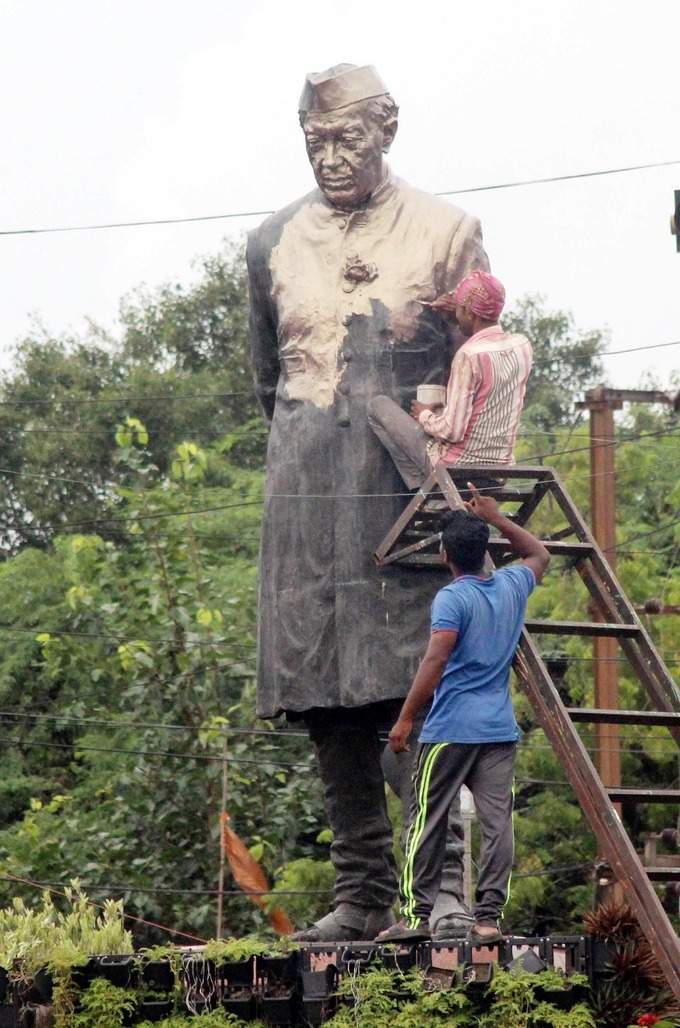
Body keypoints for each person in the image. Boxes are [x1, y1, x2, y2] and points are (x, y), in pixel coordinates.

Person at [247, 63, 490, 942]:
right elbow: (267, 381)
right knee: (327, 702)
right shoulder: (271, 242)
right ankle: (362, 896)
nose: (331, 155)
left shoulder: (448, 232)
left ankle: (445, 892)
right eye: (315, 141)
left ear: (387, 129)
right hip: (307, 498)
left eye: (347, 138)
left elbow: (482, 375)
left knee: (413, 693)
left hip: (404, 501)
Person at [375, 485, 550, 944]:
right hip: (498, 730)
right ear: (485, 550)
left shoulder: (452, 599)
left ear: (444, 553)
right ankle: (488, 920)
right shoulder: (512, 585)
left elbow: (435, 661)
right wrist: (496, 518)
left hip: (451, 729)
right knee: (498, 825)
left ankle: (415, 918)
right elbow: (539, 554)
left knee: (426, 819)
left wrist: (406, 718)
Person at [367, 270, 532, 489]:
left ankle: (427, 491)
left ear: (469, 313)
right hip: (500, 470)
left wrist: (424, 414)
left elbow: (451, 431)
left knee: (377, 406)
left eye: (461, 310)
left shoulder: (469, 355)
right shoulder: (522, 347)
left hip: (456, 469)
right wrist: (462, 308)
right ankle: (434, 494)